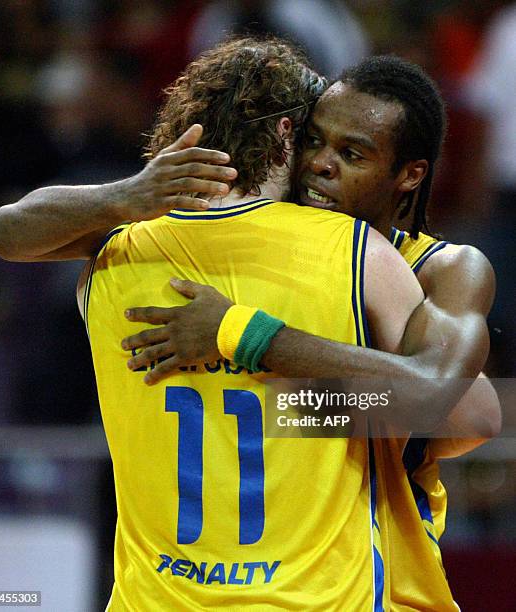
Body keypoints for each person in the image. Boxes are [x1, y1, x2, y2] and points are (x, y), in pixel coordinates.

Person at [0, 37, 433, 610]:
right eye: (316, 138)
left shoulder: (112, 256)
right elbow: (442, 407)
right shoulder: (357, 251)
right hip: (315, 600)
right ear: (286, 135)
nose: (323, 162)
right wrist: (304, 409)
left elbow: (4, 233)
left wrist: (128, 195)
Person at [118, 57, 500, 611]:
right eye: (314, 141)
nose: (320, 164)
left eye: (352, 154)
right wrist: (128, 195)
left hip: (394, 583)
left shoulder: (443, 267)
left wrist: (242, 336)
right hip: (279, 577)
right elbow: (8, 231)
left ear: (410, 174)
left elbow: (470, 412)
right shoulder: (265, 245)